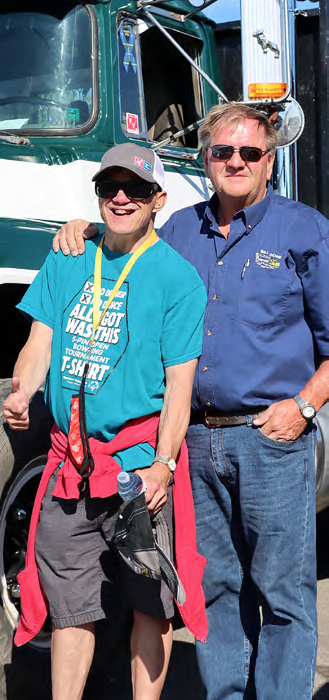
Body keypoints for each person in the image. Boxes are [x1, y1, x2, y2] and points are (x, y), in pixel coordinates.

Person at [52, 103, 329, 700]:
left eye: (248, 152)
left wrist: (304, 406)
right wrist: (82, 230)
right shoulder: (180, 229)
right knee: (214, 587)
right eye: (221, 152)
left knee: (283, 592)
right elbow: (124, 236)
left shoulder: (304, 230)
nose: (234, 162)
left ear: (269, 159)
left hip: (271, 438)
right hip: (194, 442)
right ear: (204, 160)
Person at [3, 142, 208, 700]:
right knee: (71, 608)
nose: (120, 198)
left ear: (157, 200)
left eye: (135, 189)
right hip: (70, 463)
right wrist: (22, 390)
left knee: (151, 606)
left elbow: (179, 388)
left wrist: (164, 465)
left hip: (137, 467)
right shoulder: (69, 255)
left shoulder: (178, 279)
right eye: (109, 188)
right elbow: (37, 342)